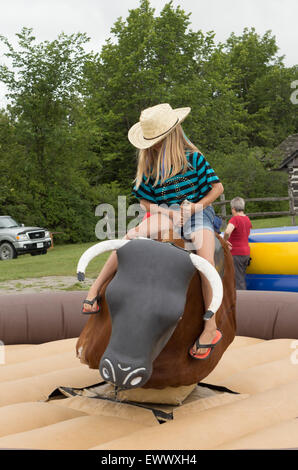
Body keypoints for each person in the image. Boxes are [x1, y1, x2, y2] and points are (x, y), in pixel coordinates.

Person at [83, 103, 224, 359]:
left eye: (156, 140)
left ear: (170, 135)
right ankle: (95, 288)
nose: (153, 145)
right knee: (132, 237)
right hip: (166, 213)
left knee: (206, 260)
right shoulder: (149, 163)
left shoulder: (194, 159)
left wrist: (195, 208)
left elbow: (217, 188)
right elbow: (144, 202)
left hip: (197, 212)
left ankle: (210, 327)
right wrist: (164, 212)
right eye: (150, 141)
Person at [223, 197, 252, 290]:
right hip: (246, 253)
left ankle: (241, 301)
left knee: (237, 281)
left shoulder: (235, 219)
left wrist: (224, 241)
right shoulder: (247, 219)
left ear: (233, 209)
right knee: (241, 278)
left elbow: (227, 231)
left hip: (236, 253)